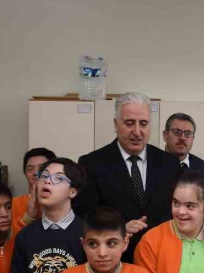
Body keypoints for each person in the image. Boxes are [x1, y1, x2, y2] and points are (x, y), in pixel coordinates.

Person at [75, 92, 182, 262]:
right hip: (114, 261)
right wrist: (118, 230)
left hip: (162, 258)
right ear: (116, 124)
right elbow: (85, 216)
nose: (137, 132)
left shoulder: (169, 163)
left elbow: (175, 210)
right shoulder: (92, 164)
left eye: (144, 123)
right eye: (129, 123)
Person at [12, 148, 56, 229]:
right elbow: (11, 239)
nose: (35, 173)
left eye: (41, 167)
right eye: (30, 169)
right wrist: (28, 218)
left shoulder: (63, 201)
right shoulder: (14, 204)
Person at [163, 112, 204, 179]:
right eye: (176, 132)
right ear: (165, 135)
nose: (183, 138)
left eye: (188, 133)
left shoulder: (202, 169)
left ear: (193, 138)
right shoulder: (151, 164)